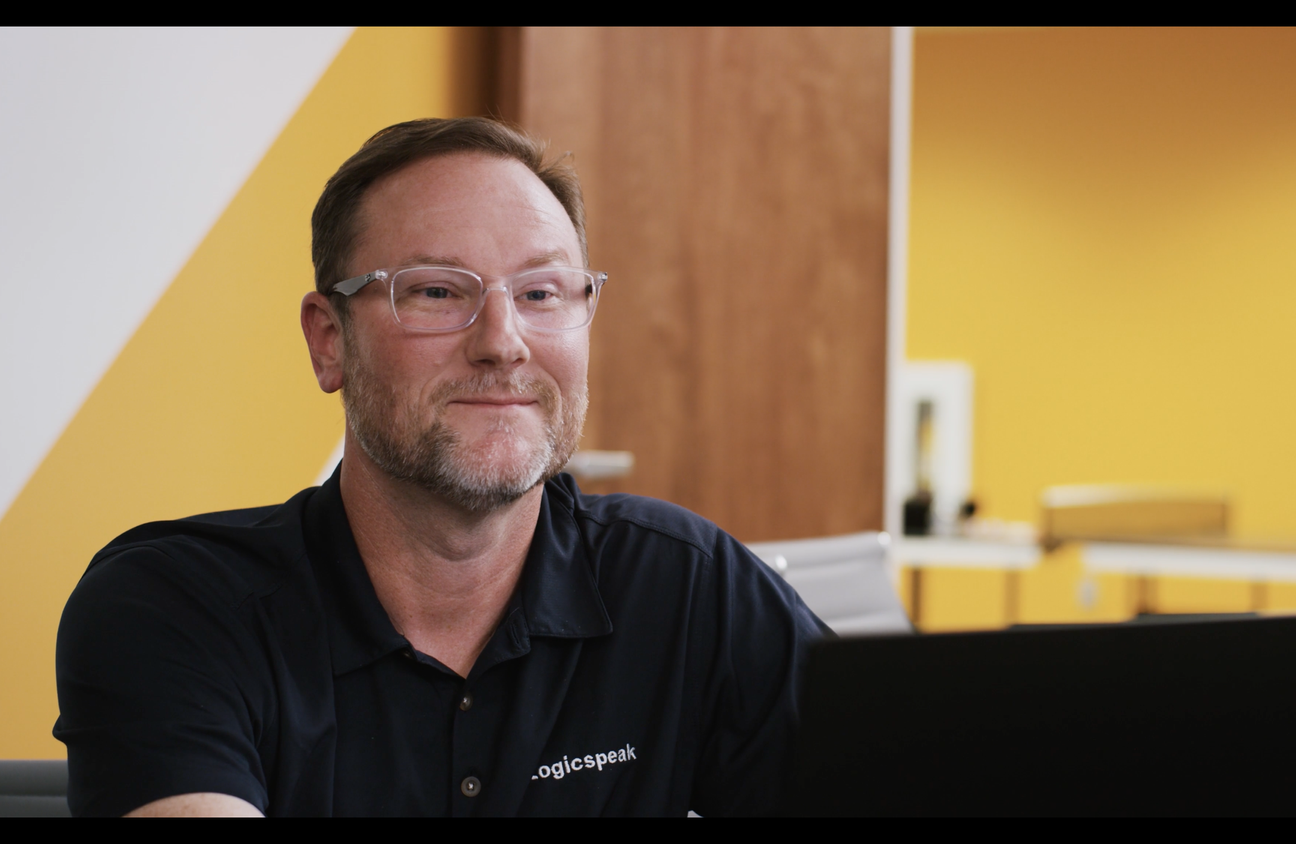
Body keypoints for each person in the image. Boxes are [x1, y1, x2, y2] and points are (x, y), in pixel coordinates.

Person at [53, 117, 829, 817]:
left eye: (541, 292)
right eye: (434, 291)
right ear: (329, 340)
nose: (503, 341)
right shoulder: (176, 607)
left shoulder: (684, 587)